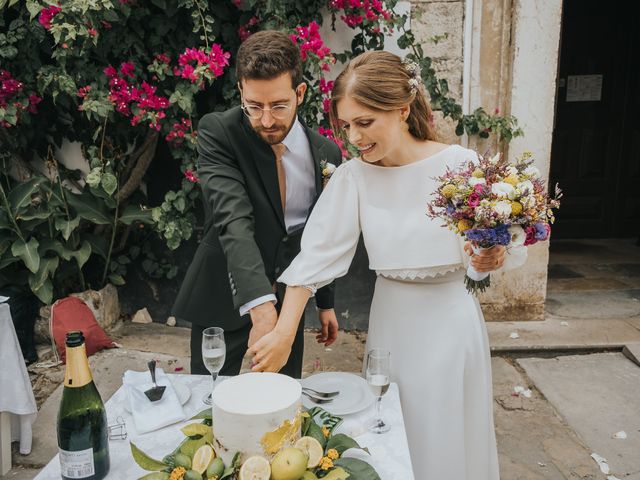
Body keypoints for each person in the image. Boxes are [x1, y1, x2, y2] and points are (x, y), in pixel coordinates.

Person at [248, 51, 527, 479]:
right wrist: (284, 331)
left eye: (365, 122)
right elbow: (317, 255)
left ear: (401, 109)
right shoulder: (354, 177)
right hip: (392, 326)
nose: (355, 138)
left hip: (452, 325)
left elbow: (485, 257)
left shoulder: (461, 167)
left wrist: (490, 256)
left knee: (447, 438)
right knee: (393, 432)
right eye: (346, 126)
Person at [172, 30, 341, 378]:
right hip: (224, 299)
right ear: (241, 93)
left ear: (300, 93)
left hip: (288, 310)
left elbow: (322, 234)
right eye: (254, 106)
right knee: (212, 410)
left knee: (280, 413)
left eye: (278, 106)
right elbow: (233, 219)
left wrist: (325, 302)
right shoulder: (219, 132)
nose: (266, 120)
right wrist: (261, 307)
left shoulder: (327, 153)